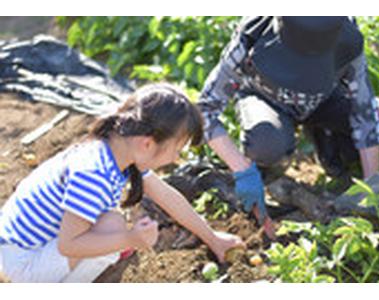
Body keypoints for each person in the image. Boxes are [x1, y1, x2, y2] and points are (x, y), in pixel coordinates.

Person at [0, 83, 244, 282]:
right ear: (147, 143)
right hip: (24, 262)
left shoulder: (116, 150)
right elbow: (68, 245)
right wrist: (130, 239)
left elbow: (167, 196)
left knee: (112, 225)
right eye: (176, 149)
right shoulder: (94, 173)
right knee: (113, 230)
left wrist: (212, 238)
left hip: (26, 247)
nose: (176, 158)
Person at [197, 16, 379, 226]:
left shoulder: (345, 34)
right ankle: (268, 168)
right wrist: (242, 170)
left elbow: (364, 112)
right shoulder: (255, 31)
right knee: (267, 144)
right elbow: (204, 110)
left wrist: (371, 186)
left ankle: (328, 145)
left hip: (325, 101)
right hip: (267, 99)